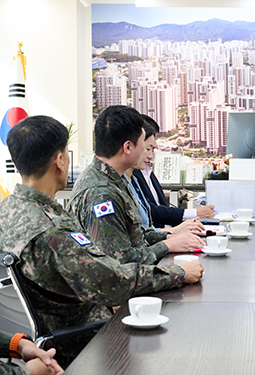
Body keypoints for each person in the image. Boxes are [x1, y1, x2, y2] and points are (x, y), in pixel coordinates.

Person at [0, 116, 203, 364]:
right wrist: (179, 273)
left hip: (62, 329)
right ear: (60, 161)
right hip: (85, 341)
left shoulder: (10, 209)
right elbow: (112, 282)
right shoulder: (51, 231)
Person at [68, 105, 204, 265]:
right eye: (144, 145)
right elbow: (118, 263)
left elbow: (134, 235)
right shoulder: (100, 194)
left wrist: (169, 237)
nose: (149, 152)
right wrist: (168, 247)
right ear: (128, 147)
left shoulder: (114, 179)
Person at [131, 115, 215, 228]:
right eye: (148, 148)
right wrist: (193, 214)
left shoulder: (147, 170)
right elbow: (149, 211)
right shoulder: (131, 175)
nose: (151, 154)